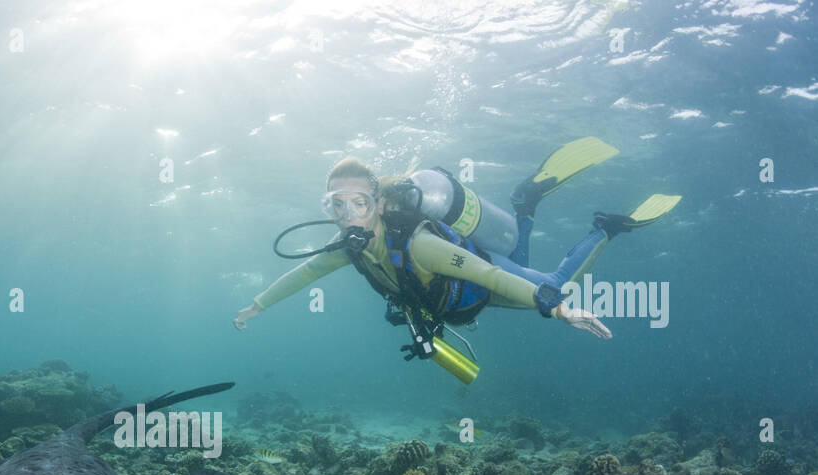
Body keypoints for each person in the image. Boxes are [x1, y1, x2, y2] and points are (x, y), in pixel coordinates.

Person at [233, 139, 680, 369]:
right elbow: (306, 272)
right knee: (514, 252)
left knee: (552, 281)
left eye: (360, 203)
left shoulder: (419, 244)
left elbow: (488, 274)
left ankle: (606, 228)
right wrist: (257, 305)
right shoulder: (348, 248)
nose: (348, 216)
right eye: (337, 205)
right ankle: (525, 203)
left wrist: (557, 308)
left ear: (380, 203)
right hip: (474, 270)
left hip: (476, 281)